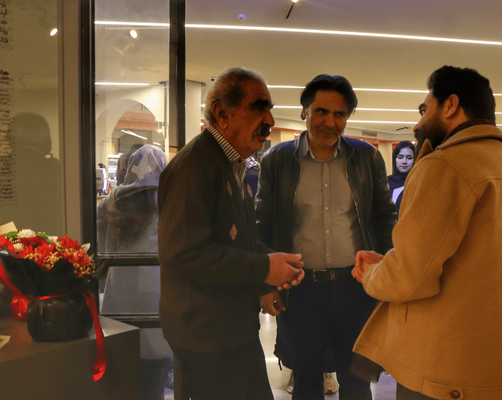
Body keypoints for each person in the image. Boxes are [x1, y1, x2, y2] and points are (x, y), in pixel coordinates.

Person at [352, 65, 502, 400]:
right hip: (492, 364)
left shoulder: (444, 165)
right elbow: (468, 261)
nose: (417, 124)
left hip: (441, 368)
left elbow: (410, 276)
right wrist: (391, 263)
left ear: (450, 105)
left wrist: (372, 274)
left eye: (424, 110)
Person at [158, 67, 305, 400]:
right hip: (208, 337)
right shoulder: (195, 167)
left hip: (230, 330)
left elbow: (235, 241)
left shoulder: (230, 164)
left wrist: (267, 275)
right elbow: (183, 254)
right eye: (259, 107)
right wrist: (264, 268)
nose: (270, 119)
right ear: (222, 115)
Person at [256, 74, 396, 400]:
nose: (330, 122)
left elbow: (385, 217)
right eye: (321, 111)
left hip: (355, 288)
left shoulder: (366, 157)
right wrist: (265, 284)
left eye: (339, 114)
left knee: (357, 382)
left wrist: (389, 273)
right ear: (304, 111)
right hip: (300, 290)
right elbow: (262, 224)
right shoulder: (278, 160)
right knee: (306, 382)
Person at [97, 145, 167, 254]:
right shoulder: (169, 197)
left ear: (131, 166)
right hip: (159, 262)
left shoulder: (113, 197)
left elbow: (100, 231)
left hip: (119, 262)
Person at [388, 141, 416, 212]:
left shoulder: (417, 183)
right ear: (395, 159)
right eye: (400, 157)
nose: (404, 162)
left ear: (415, 160)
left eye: (409, 158)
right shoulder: (385, 182)